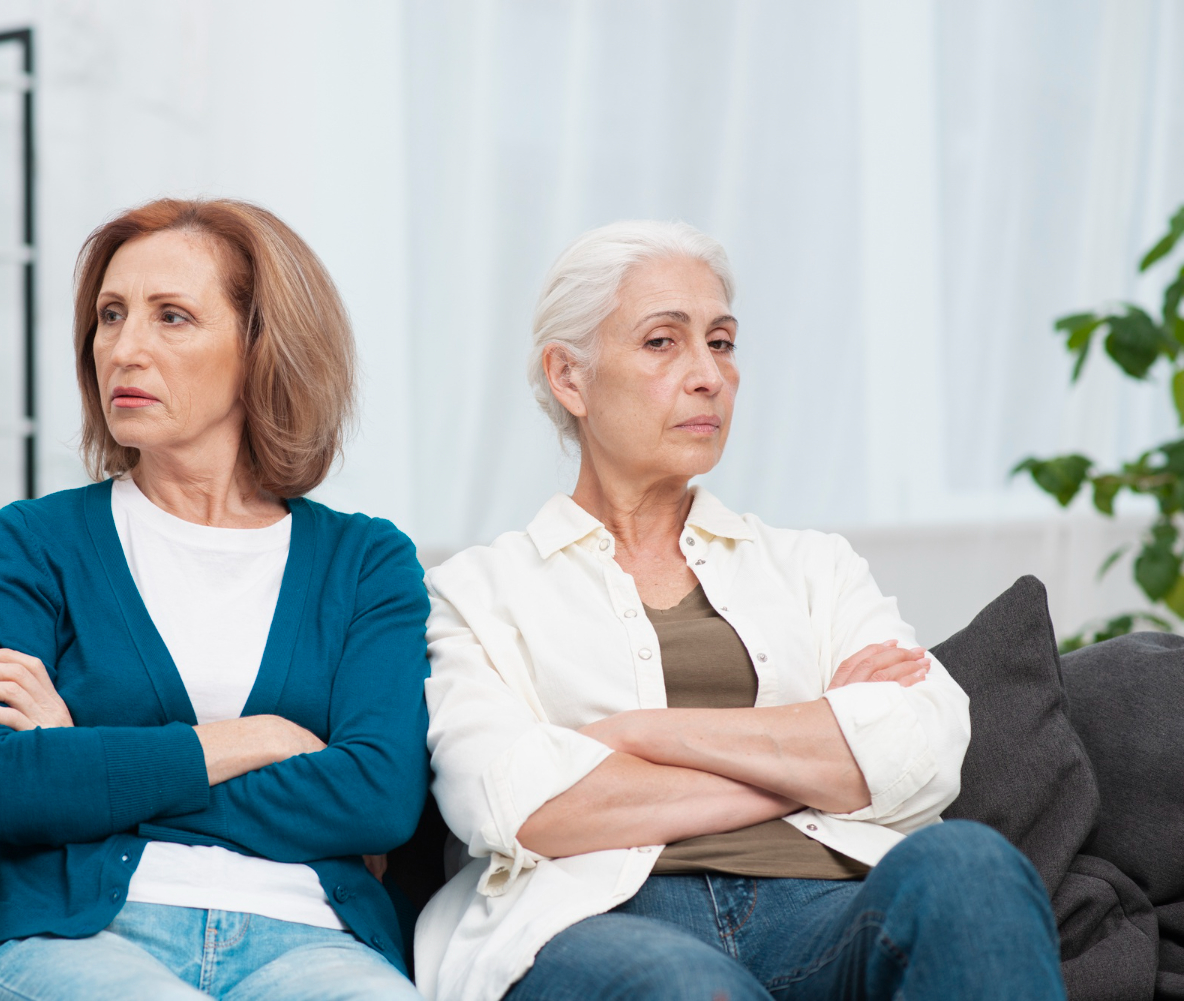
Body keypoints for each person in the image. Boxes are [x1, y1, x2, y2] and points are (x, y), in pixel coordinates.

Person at [414, 220, 1066, 1001]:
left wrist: (638, 736)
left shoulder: (814, 566)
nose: (708, 375)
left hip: (827, 906)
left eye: (721, 343)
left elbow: (922, 746)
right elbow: (517, 804)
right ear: (570, 377)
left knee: (973, 864)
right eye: (663, 342)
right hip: (601, 917)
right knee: (686, 985)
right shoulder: (477, 591)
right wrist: (816, 755)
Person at [0, 198, 429, 1001]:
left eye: (172, 317)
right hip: (72, 937)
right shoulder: (33, 542)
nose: (124, 349)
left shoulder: (365, 562)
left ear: (263, 345)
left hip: (312, 942)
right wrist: (258, 739)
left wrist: (87, 761)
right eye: (111, 315)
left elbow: (377, 796)